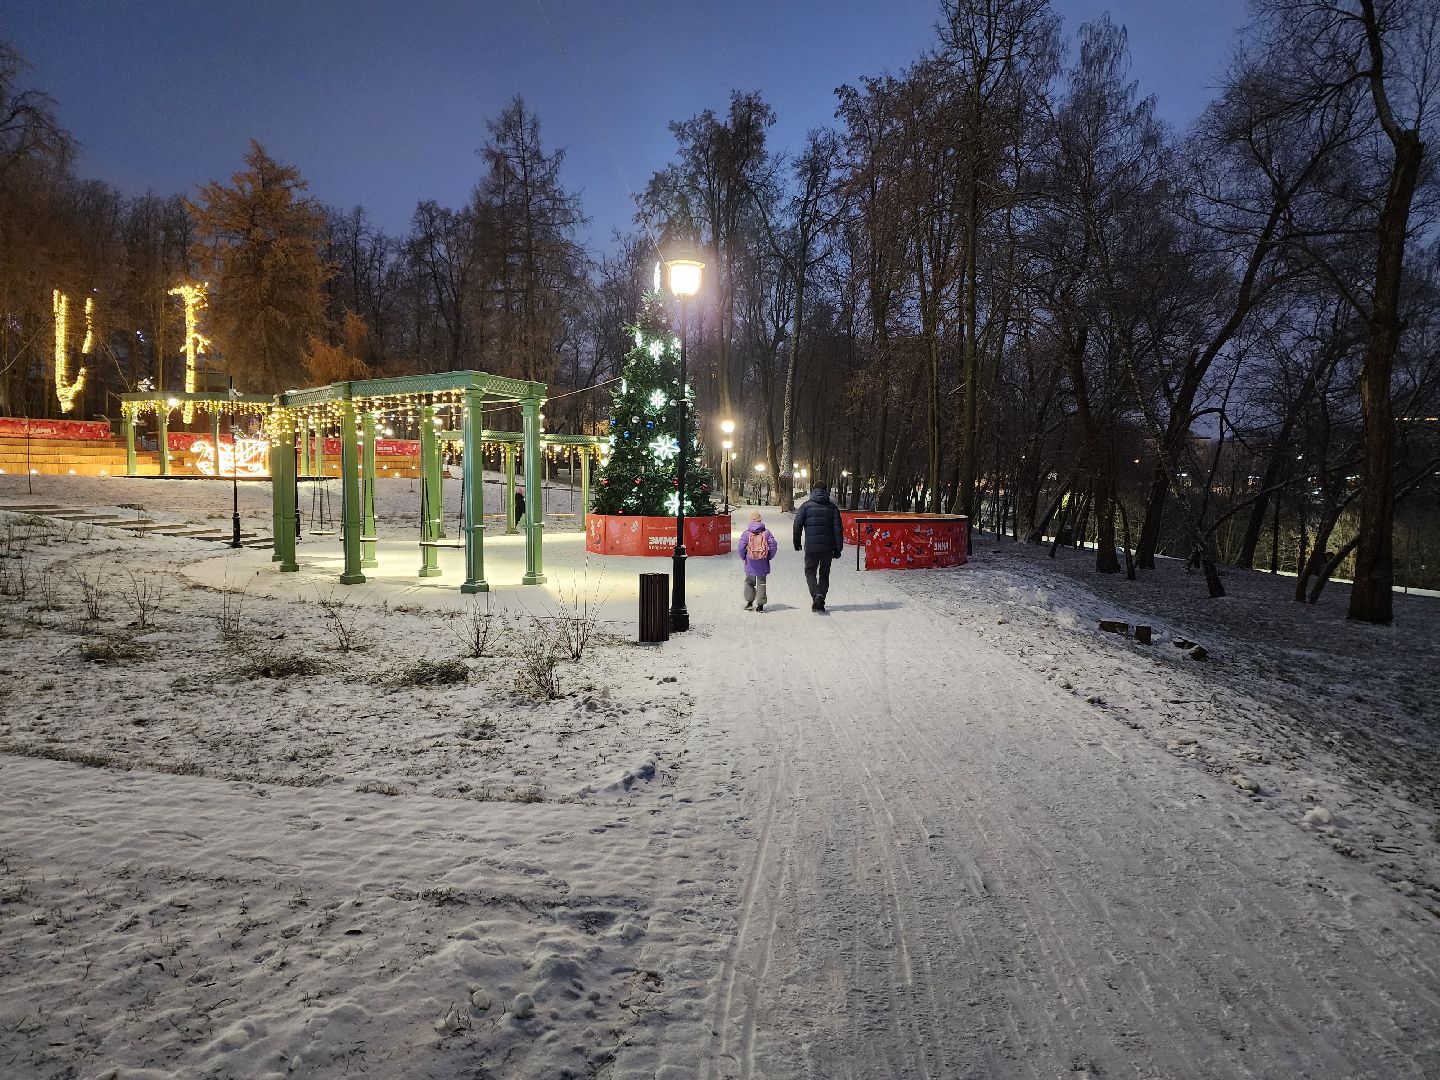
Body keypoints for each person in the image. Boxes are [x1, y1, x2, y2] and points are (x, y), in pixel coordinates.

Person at [794, 481, 844, 612]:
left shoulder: (806, 506)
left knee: (810, 571)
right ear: (826, 491)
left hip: (811, 548)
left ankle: (816, 595)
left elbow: (797, 525)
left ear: (813, 490)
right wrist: (838, 548)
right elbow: (838, 529)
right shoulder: (832, 507)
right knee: (824, 574)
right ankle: (820, 596)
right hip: (828, 548)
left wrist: (797, 542)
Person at [739, 510, 778, 612]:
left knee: (749, 582)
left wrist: (744, 557)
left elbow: (741, 547)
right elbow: (773, 545)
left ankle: (749, 602)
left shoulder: (746, 533)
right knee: (762, 583)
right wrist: (769, 556)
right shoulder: (766, 532)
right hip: (763, 562)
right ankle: (760, 605)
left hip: (750, 562)